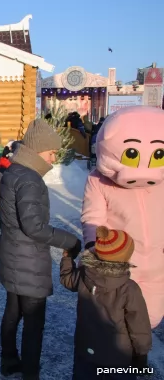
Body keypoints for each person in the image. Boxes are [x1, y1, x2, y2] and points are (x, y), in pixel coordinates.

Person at [0, 119, 82, 379]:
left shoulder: (15, 170)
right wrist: (70, 241)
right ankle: (30, 373)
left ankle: (9, 360)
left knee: (13, 312)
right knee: (34, 323)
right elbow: (35, 228)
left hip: (13, 255)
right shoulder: (30, 179)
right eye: (51, 152)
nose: (54, 158)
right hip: (28, 261)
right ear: (37, 150)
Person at [82, 106, 164, 329]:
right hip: (121, 267)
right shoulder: (99, 180)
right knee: (121, 325)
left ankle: (137, 359)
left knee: (149, 321)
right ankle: (121, 362)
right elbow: (93, 217)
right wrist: (94, 249)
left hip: (159, 265)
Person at [60, 226, 152, 379]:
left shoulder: (85, 275)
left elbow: (67, 279)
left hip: (86, 350)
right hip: (118, 358)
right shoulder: (129, 289)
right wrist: (141, 354)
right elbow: (139, 325)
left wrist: (67, 258)